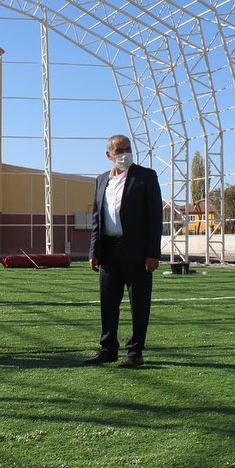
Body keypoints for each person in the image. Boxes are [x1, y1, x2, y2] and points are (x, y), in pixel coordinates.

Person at [86, 134, 162, 368]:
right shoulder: (101, 181)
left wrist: (153, 253)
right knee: (108, 302)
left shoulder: (146, 176)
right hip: (108, 251)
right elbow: (97, 218)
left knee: (139, 303)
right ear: (109, 155)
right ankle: (108, 348)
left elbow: (155, 217)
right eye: (119, 150)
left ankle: (135, 352)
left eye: (128, 149)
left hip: (138, 252)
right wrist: (93, 251)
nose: (124, 154)